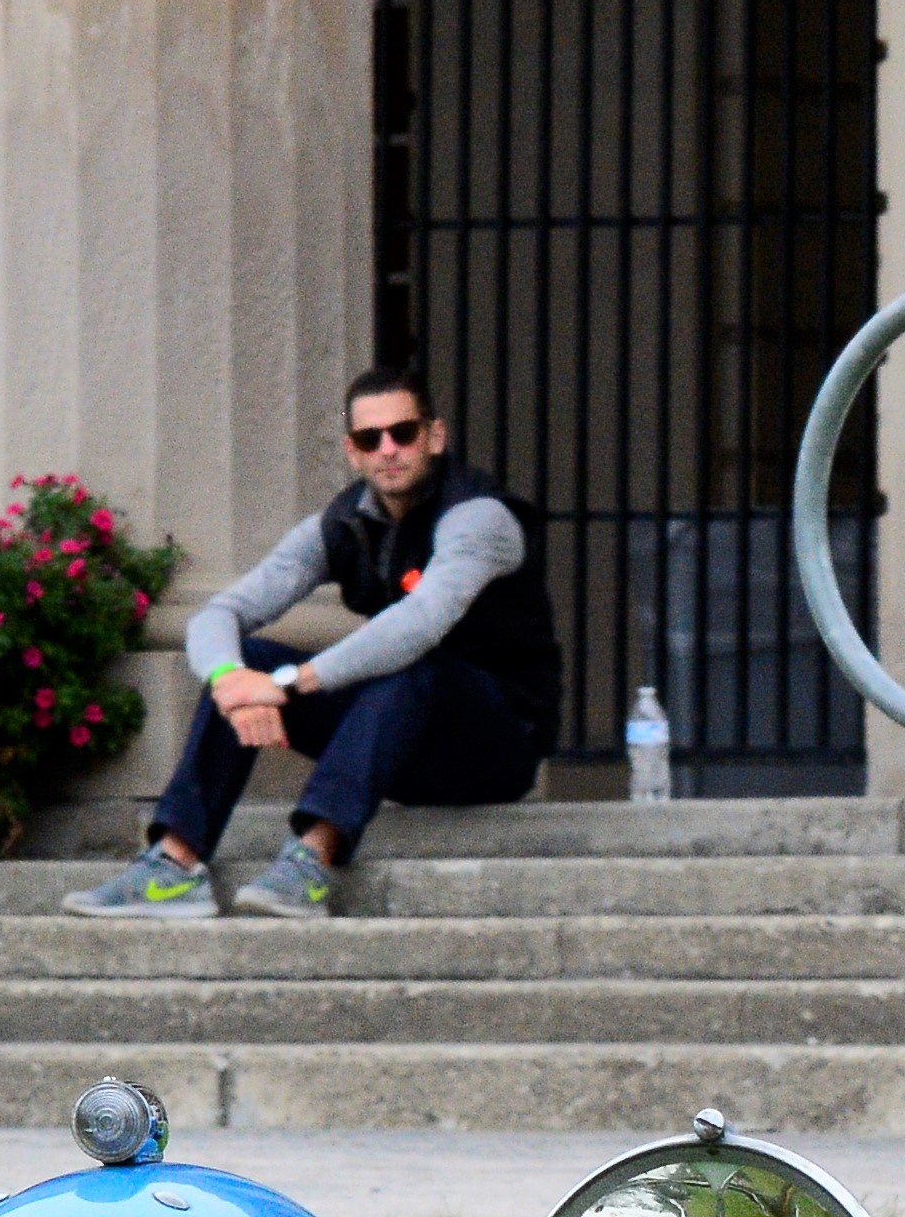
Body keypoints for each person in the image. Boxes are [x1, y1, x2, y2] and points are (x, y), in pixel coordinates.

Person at [73, 370, 556, 919]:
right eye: (371, 439)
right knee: (248, 657)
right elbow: (220, 612)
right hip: (401, 742)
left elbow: (421, 622)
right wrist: (231, 681)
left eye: (404, 432)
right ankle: (174, 865)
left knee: (412, 663)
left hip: (498, 748)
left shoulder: (478, 516)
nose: (389, 450)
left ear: (435, 437)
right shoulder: (341, 525)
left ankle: (310, 864)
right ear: (353, 452)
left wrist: (292, 683)